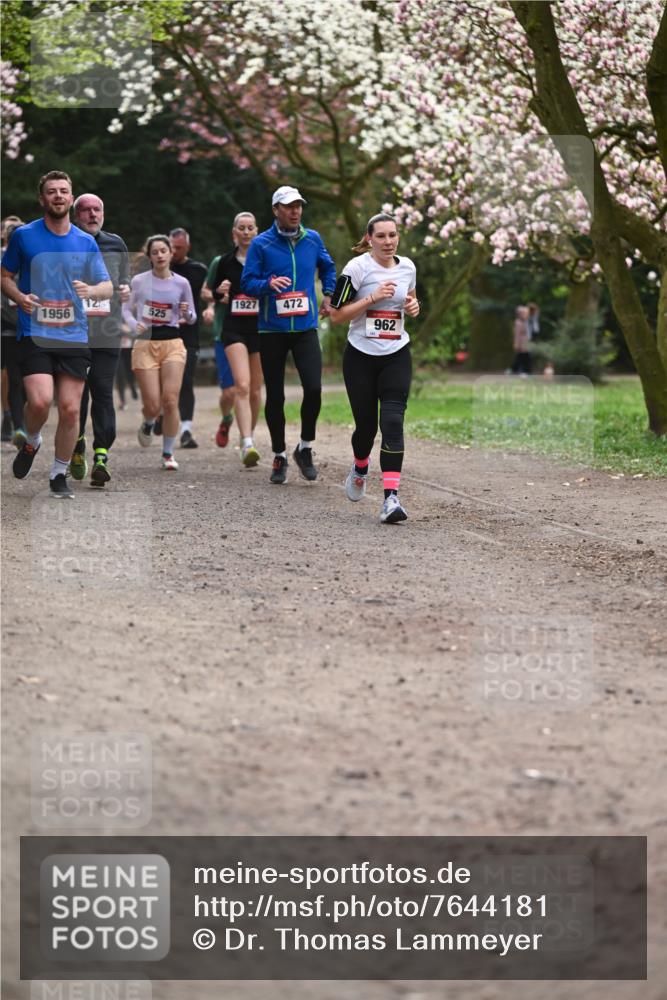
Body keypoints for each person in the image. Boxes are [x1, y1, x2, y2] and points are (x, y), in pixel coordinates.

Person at [0, 171, 112, 498]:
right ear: (42, 199)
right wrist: (20, 297)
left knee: (71, 409)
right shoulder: (24, 236)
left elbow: (106, 286)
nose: (58, 196)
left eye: (64, 191)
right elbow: (4, 275)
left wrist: (92, 290)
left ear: (71, 198)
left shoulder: (85, 241)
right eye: (52, 191)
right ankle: (33, 440)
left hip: (73, 335)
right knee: (39, 401)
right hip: (35, 332)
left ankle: (58, 473)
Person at [241, 186, 336, 484]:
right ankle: (279, 455)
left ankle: (304, 448)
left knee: (314, 388)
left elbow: (328, 267)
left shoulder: (312, 238)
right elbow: (247, 283)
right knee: (276, 395)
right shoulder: (261, 244)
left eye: (298, 206)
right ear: (276, 210)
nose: (295, 211)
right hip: (272, 330)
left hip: (305, 327)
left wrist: (329, 294)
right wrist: (268, 284)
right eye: (288, 206)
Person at [329, 212, 419, 524]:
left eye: (392, 235)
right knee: (366, 428)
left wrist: (413, 306)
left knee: (392, 422)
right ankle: (360, 466)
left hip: (396, 354)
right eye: (380, 236)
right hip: (360, 357)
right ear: (369, 238)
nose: (388, 241)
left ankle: (391, 498)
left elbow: (411, 299)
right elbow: (336, 315)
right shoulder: (356, 268)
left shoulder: (408, 267)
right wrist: (371, 297)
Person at [69, 193, 131, 487]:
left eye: (97, 209)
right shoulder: (65, 243)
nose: (93, 214)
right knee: (77, 395)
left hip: (107, 332)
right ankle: (77, 441)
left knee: (103, 391)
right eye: (86, 210)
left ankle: (101, 455)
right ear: (75, 215)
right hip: (74, 333)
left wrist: (126, 288)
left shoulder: (115, 243)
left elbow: (125, 278)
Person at [122, 234, 196, 470]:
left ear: (171, 253)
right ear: (150, 257)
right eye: (155, 252)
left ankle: (168, 453)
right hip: (145, 344)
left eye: (163, 251)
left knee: (170, 400)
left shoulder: (182, 283)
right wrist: (134, 324)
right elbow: (126, 310)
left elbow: (192, 317)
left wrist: (185, 313)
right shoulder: (139, 281)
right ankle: (148, 421)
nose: (160, 255)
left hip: (173, 343)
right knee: (153, 405)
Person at [207, 212, 263, 466]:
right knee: (241, 385)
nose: (246, 232)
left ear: (257, 232)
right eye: (242, 228)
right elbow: (212, 292)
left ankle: (246, 436)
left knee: (255, 391)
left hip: (261, 329)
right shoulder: (224, 262)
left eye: (250, 228)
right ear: (234, 233)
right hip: (233, 329)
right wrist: (219, 293)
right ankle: (247, 443)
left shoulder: (264, 260)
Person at [169, 227, 210, 449]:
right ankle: (160, 414)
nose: (174, 251)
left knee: (185, 380)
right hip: (163, 335)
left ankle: (186, 430)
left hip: (189, 335)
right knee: (164, 383)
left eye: (179, 247)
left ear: (188, 247)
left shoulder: (198, 270)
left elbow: (210, 292)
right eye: (171, 247)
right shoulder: (159, 268)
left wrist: (210, 307)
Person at [202, 261, 236, 449]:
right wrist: (213, 302)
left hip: (255, 333)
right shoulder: (221, 262)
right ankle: (226, 418)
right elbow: (206, 292)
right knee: (229, 392)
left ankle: (248, 440)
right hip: (224, 334)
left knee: (249, 390)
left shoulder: (261, 258)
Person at [1, 216, 26, 444]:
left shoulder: (36, 259)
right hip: (7, 328)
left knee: (27, 379)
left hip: (33, 328)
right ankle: (15, 422)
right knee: (13, 377)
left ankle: (20, 420)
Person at [510, 305, 531, 376]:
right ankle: (520, 371)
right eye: (524, 313)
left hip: (526, 342)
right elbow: (517, 334)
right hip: (522, 343)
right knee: (522, 357)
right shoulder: (518, 322)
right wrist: (516, 343)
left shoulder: (526, 322)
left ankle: (520, 370)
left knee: (523, 357)